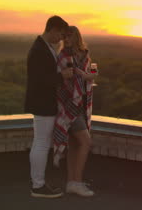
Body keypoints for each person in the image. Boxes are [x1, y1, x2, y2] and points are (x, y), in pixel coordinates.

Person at [25, 15, 72, 198]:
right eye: (60, 34)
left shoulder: (43, 47)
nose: (60, 38)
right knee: (42, 144)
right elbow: (41, 80)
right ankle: (38, 185)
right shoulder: (39, 50)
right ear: (52, 29)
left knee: (40, 142)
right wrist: (63, 76)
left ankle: (37, 182)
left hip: (42, 102)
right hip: (43, 102)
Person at [53, 26, 97, 197]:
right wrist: (76, 77)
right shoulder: (63, 56)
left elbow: (93, 74)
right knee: (86, 142)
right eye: (65, 36)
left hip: (82, 104)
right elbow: (60, 81)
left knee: (74, 145)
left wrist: (86, 76)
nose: (67, 39)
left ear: (76, 36)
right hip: (68, 106)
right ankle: (77, 183)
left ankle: (71, 182)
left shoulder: (85, 55)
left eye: (70, 36)